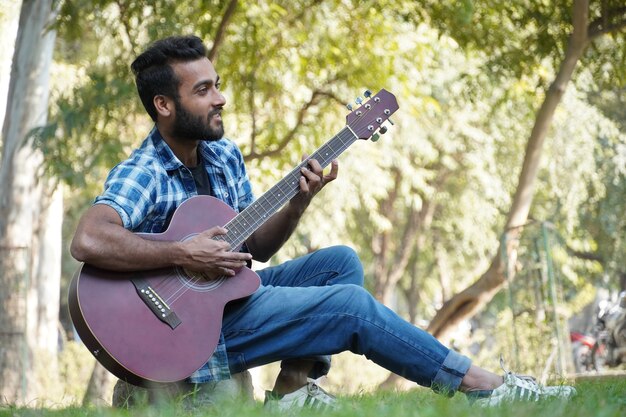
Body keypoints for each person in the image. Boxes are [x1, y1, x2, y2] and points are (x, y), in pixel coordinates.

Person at [70, 35, 575, 409]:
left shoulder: (222, 157)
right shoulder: (145, 169)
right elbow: (89, 238)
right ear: (164, 104)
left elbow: (257, 251)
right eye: (203, 90)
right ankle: (479, 387)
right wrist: (182, 253)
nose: (220, 98)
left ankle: (291, 392)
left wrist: (296, 203)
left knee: (340, 264)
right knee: (349, 307)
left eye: (217, 85)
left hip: (224, 302)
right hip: (182, 335)